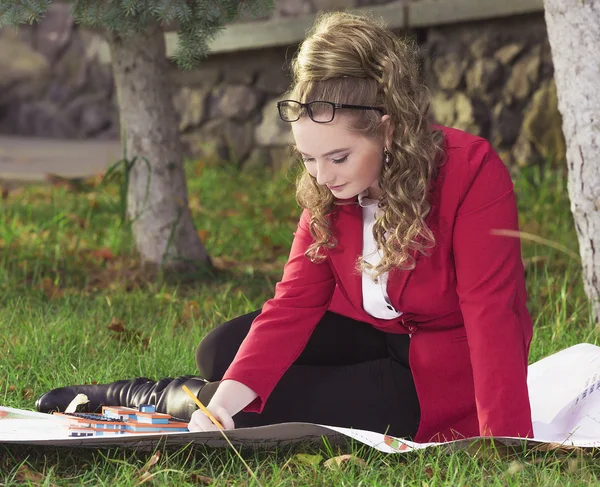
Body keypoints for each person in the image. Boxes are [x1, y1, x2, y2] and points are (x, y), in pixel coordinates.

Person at [36, 11, 533, 443]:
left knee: (263, 412)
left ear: (388, 129)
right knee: (223, 354)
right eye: (308, 157)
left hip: (433, 371)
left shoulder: (472, 172)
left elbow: (492, 313)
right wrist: (227, 398)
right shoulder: (328, 185)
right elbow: (294, 301)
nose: (322, 176)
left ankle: (146, 399)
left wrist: (507, 442)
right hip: (367, 331)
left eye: (338, 157)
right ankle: (198, 405)